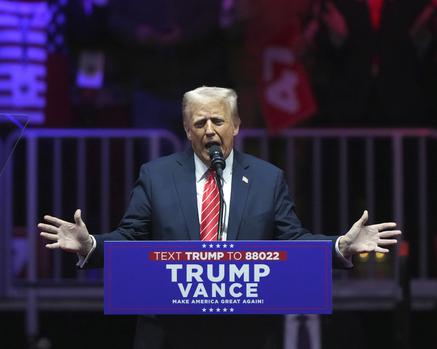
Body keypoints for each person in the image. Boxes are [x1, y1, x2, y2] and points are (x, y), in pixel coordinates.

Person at [38, 86, 401, 349]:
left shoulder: (267, 177)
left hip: (245, 332)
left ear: (237, 125)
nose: (209, 130)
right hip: (170, 331)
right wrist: (92, 245)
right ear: (186, 129)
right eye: (199, 123)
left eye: (217, 120)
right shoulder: (157, 175)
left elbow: (292, 240)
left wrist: (340, 246)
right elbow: (131, 237)